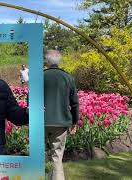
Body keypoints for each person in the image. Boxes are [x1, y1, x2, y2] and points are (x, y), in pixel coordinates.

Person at [44, 50, 79, 180]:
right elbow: (74, 103)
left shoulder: (40, 76)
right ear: (59, 61)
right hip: (61, 122)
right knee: (57, 157)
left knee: (38, 157)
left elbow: (30, 100)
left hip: (41, 122)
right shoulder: (68, 77)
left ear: (47, 61)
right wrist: (75, 121)